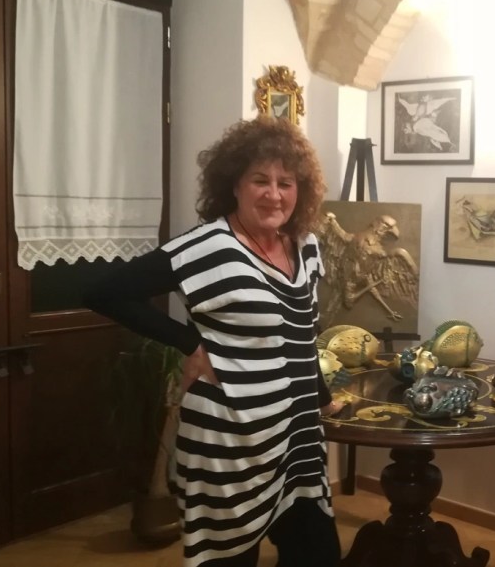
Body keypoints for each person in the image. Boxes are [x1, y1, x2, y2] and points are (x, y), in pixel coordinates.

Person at [85, 116, 341, 567]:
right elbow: (105, 292)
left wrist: (321, 397)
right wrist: (189, 343)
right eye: (260, 180)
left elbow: (302, 334)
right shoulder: (207, 248)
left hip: (298, 438)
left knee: (317, 554)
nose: (274, 194)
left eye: (286, 182)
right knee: (228, 559)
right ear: (234, 184)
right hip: (230, 445)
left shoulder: (306, 245)